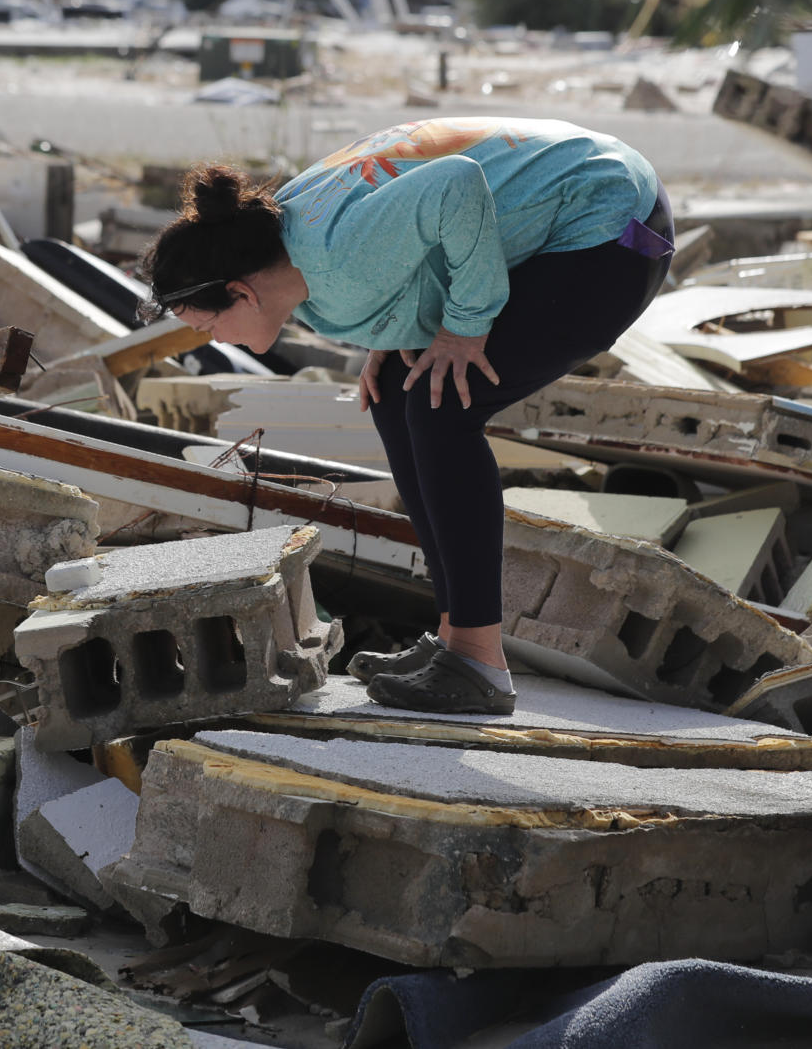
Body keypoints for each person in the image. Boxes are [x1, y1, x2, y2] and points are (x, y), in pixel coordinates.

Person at [137, 117, 673, 715]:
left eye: (208, 323)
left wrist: (464, 327)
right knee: (394, 386)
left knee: (446, 405)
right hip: (569, 197)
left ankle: (479, 662)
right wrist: (398, 327)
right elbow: (404, 233)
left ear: (243, 293)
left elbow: (454, 182)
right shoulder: (276, 235)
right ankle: (451, 637)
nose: (212, 335)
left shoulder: (338, 256)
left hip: (613, 225)